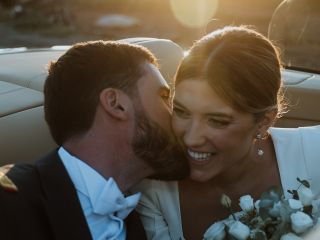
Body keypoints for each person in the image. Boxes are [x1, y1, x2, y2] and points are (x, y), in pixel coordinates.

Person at [134, 26, 320, 240]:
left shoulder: (315, 154)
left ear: (263, 122)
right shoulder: (152, 189)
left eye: (217, 121)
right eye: (182, 112)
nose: (191, 138)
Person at [0, 40, 189, 240]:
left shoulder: (140, 221)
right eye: (165, 96)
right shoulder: (8, 201)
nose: (174, 116)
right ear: (116, 104)